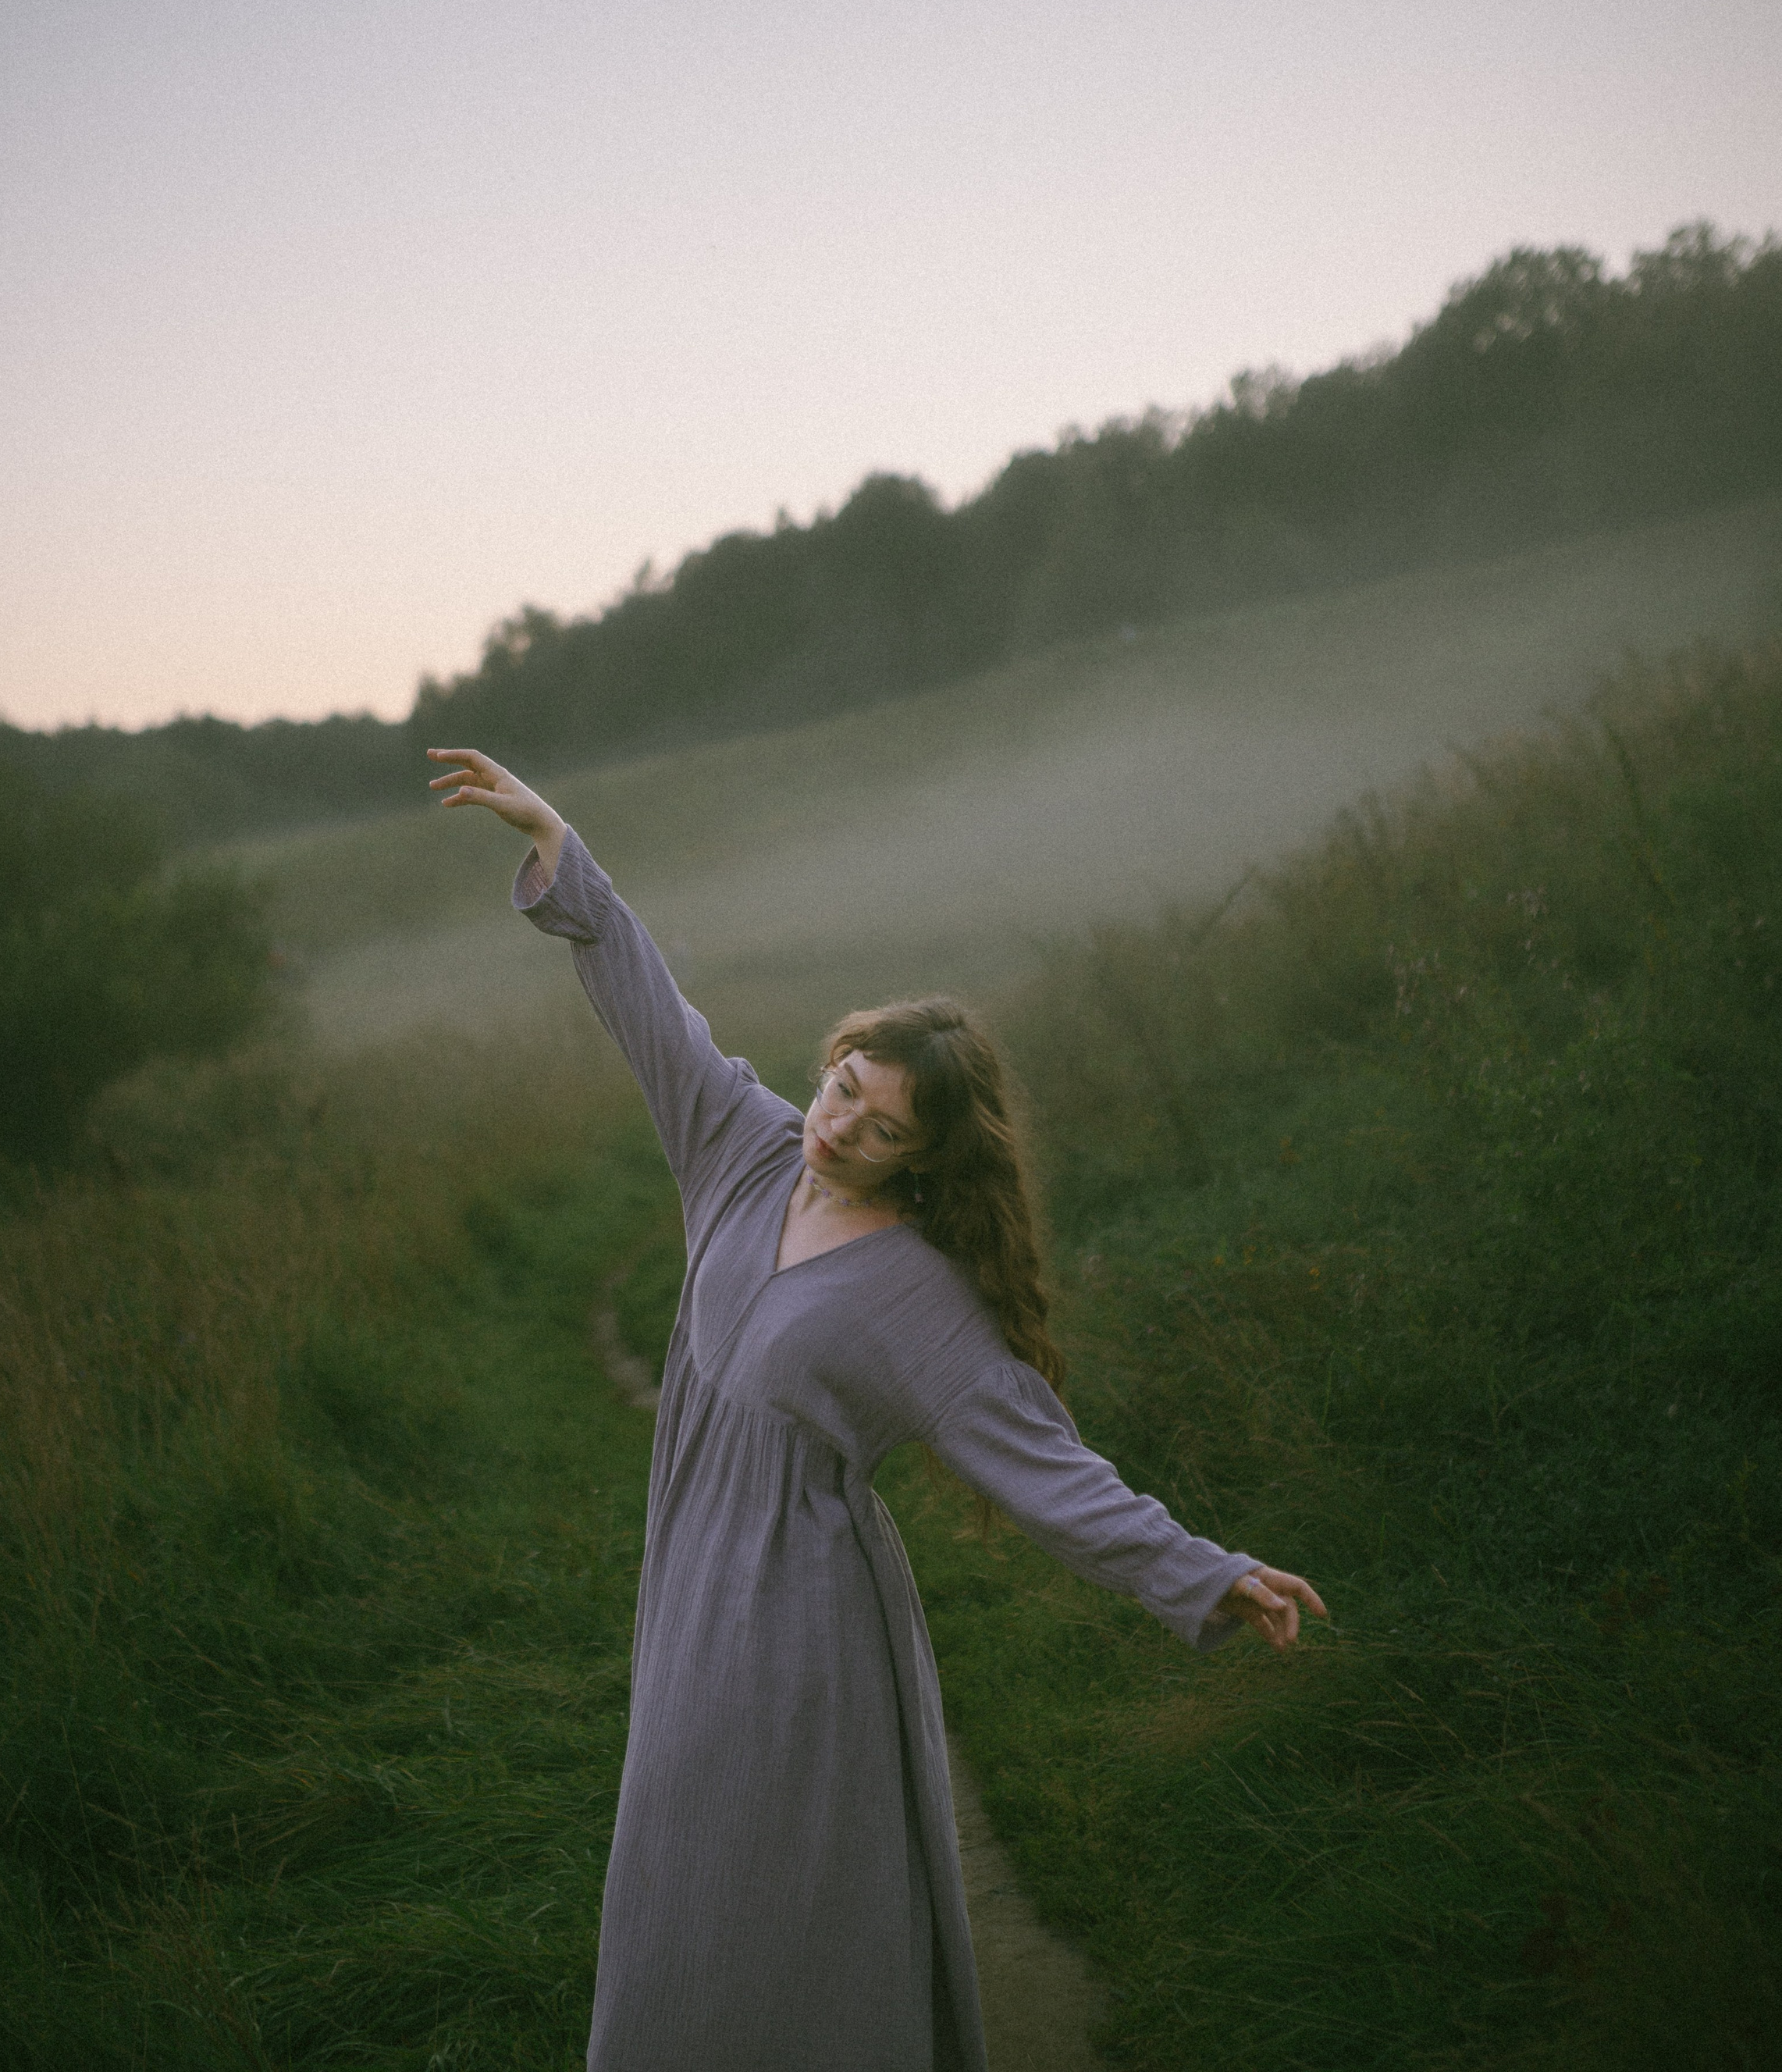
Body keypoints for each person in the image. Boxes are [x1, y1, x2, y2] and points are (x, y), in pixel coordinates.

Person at [428, 746, 1326, 2072]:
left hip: (798, 1629)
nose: (842, 1125)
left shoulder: (922, 1301)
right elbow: (655, 1016)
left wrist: (1208, 1575)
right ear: (835, 1058)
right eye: (847, 1083)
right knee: (672, 1875)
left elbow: (1054, 1475)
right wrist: (567, 850)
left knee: (767, 1901)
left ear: (927, 1159)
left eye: (884, 1125)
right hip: (689, 1592)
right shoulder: (744, 1146)